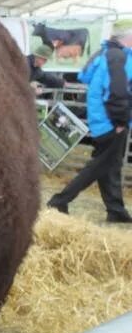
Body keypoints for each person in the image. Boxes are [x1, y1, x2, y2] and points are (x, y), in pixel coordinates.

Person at [47, 20, 132, 223]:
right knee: (98, 166)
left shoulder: (105, 53)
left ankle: (116, 210)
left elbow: (85, 76)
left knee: (109, 166)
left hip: (101, 119)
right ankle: (59, 200)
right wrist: (120, 120)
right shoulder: (118, 57)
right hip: (111, 121)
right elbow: (117, 91)